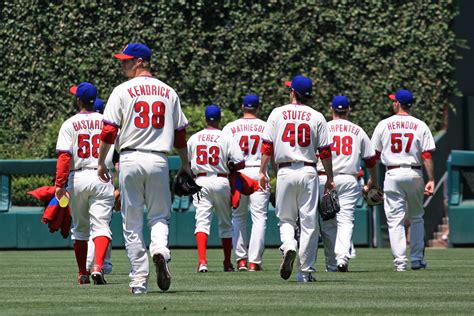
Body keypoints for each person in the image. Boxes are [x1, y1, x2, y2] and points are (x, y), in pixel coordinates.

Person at [97, 43, 191, 294]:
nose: (122, 64)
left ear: (140, 61)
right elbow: (180, 134)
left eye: (127, 60)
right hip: (159, 159)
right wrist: (185, 164)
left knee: (132, 222)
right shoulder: (169, 92)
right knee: (159, 216)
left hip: (129, 159)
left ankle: (139, 281)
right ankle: (159, 249)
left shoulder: (122, 91)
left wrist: (101, 162)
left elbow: (108, 130)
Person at [259, 75, 335, 282]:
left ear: (292, 92)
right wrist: (329, 177)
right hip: (309, 170)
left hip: (284, 171)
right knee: (309, 222)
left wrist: (262, 171)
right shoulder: (317, 116)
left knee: (285, 219)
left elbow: (267, 146)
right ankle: (305, 272)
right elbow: (326, 152)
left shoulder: (277, 113)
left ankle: (289, 245)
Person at [55, 82, 115, 285]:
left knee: (80, 229)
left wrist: (59, 185)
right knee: (101, 226)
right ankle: (98, 265)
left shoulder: (69, 124)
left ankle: (83, 273)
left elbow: (64, 157)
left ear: (78, 99)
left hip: (78, 177)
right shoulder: (108, 122)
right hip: (102, 175)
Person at [371, 89, 435, 271]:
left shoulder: (384, 124)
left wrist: (372, 181)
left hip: (392, 174)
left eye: (394, 101)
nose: (393, 103)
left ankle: (400, 263)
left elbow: (374, 155)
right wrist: (431, 179)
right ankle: (416, 259)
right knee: (416, 217)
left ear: (398, 103)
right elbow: (427, 155)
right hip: (414, 173)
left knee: (394, 220)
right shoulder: (420, 125)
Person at [318, 96, 378, 272]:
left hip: (325, 177)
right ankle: (342, 258)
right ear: (348, 110)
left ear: (332, 109)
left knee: (328, 222)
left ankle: (331, 264)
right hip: (349, 178)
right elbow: (370, 159)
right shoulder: (357, 130)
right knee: (346, 220)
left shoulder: (324, 127)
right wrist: (373, 180)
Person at [187, 104, 246, 273]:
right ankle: (227, 263)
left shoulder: (194, 138)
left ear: (205, 119)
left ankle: (202, 261)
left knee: (201, 222)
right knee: (226, 223)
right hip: (221, 181)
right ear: (220, 119)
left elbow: (188, 162)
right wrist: (229, 165)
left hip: (200, 181)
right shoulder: (225, 137)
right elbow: (240, 162)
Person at [222, 94, 269, 272]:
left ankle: (241, 259)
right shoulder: (265, 126)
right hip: (259, 171)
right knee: (259, 219)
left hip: (239, 173)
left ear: (243, 107)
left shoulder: (230, 127)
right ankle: (254, 262)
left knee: (238, 217)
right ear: (258, 108)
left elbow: (224, 154)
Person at [86, 96, 116, 275]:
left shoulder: (75, 123)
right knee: (102, 225)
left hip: (82, 175)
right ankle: (102, 264)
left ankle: (92, 264)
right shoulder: (110, 126)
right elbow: (119, 158)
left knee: (90, 228)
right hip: (105, 177)